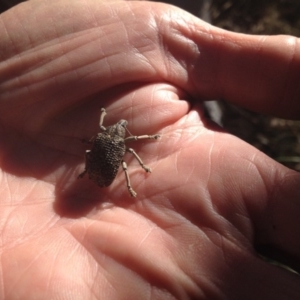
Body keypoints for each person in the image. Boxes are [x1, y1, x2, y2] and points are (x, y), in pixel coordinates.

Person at [0, 0, 299, 299]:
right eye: (119, 128)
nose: (122, 129)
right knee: (126, 164)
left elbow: (104, 137)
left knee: (101, 157)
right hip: (101, 167)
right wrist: (143, 158)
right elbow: (130, 145)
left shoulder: (106, 136)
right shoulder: (112, 138)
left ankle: (89, 174)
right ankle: (109, 178)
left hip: (97, 167)